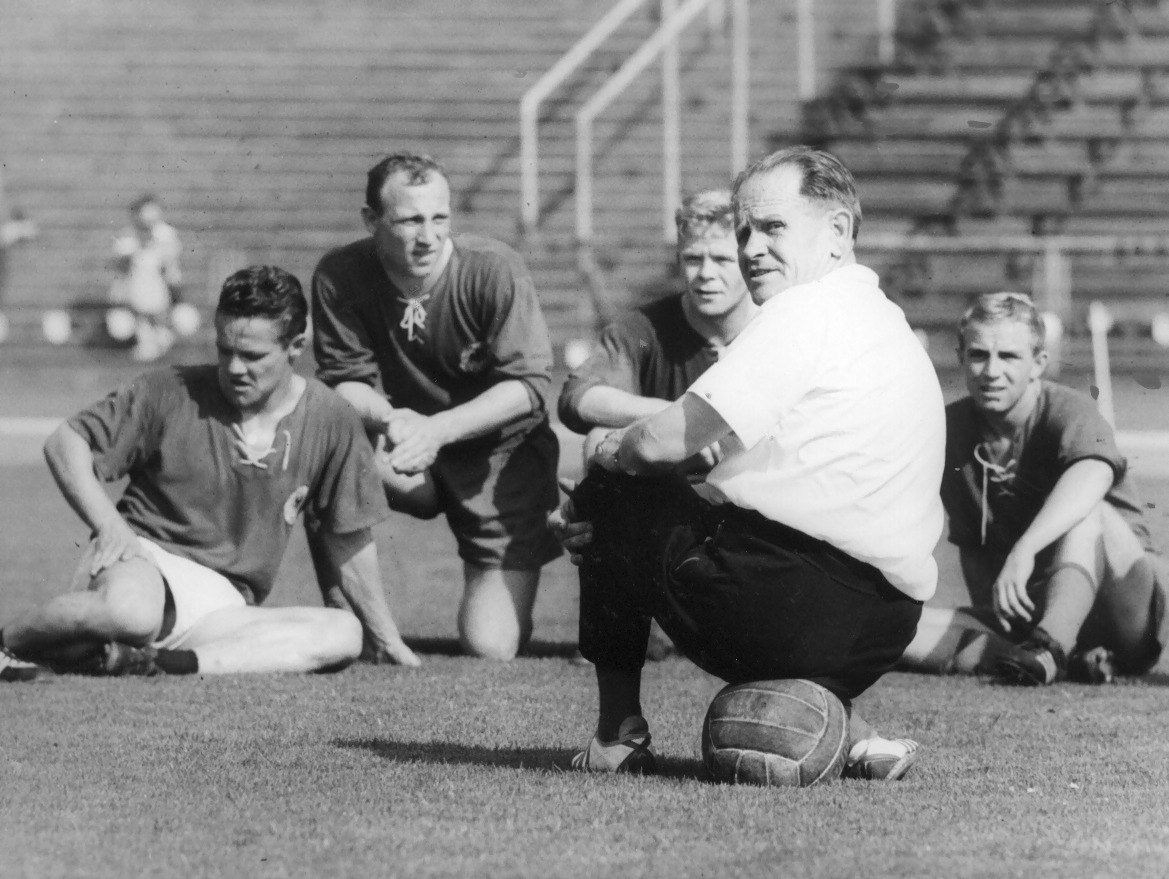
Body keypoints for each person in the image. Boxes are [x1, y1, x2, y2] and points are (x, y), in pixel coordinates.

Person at [550, 146, 946, 781]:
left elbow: (657, 444)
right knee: (673, 499)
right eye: (744, 230)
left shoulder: (801, 311)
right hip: (886, 625)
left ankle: (616, 735)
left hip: (791, 606)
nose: (751, 248)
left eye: (773, 227)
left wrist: (603, 464)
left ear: (839, 230)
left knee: (612, 481)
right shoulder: (883, 319)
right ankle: (854, 732)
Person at [0, 266, 419, 682]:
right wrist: (109, 525)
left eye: (253, 356)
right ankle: (6, 641)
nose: (235, 368)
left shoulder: (330, 417)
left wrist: (385, 636)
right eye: (225, 351)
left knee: (343, 633)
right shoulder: (168, 390)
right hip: (143, 561)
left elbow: (348, 536)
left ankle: (159, 665)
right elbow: (65, 442)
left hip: (224, 605)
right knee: (132, 612)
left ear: (296, 346)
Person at [311, 152, 560, 661]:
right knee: (321, 453)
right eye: (409, 220)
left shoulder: (493, 268)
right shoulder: (340, 274)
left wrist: (438, 429)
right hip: (409, 448)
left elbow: (529, 385)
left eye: (439, 218)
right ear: (371, 221)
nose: (428, 237)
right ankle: (363, 631)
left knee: (491, 647)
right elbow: (344, 380)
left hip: (498, 455)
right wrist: (392, 418)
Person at [899, 292, 1169, 685]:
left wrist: (1025, 549)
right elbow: (973, 546)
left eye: (1008, 356)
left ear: (1038, 364)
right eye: (978, 355)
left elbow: (1093, 473)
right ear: (960, 356)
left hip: (1124, 608)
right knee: (896, 626)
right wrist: (995, 613)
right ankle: (1044, 656)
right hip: (1037, 606)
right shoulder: (950, 429)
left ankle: (1051, 647)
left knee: (1088, 512)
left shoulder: (1068, 408)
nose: (991, 371)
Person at [558, 189, 757, 658]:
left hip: (751, 503)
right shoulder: (646, 327)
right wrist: (676, 417)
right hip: (665, 504)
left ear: (748, 259)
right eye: (693, 258)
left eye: (723, 259)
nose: (706, 274)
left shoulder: (775, 328)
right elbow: (578, 397)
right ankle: (623, 629)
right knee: (598, 443)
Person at [108, 193, 183, 362]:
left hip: (161, 294)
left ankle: (160, 333)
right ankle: (145, 337)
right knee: (121, 325)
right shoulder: (127, 238)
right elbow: (121, 272)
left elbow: (171, 272)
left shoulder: (167, 236)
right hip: (133, 294)